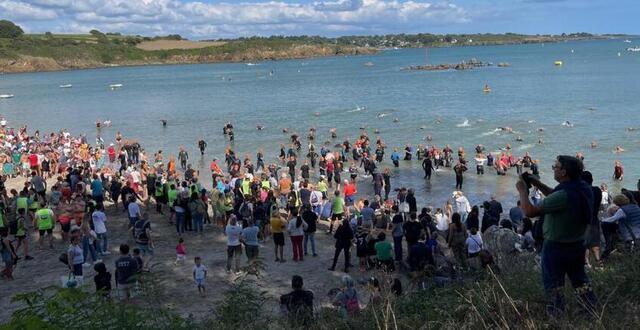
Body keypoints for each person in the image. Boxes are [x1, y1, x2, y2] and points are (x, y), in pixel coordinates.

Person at [516, 155, 597, 316]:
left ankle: (557, 316)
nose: (554, 169)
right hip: (577, 243)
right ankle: (590, 309)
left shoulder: (563, 195)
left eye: (556, 167)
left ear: (564, 172)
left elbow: (530, 211)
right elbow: (555, 196)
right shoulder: (582, 187)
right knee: (580, 279)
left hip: (557, 247)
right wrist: (537, 184)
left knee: (554, 284)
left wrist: (522, 190)